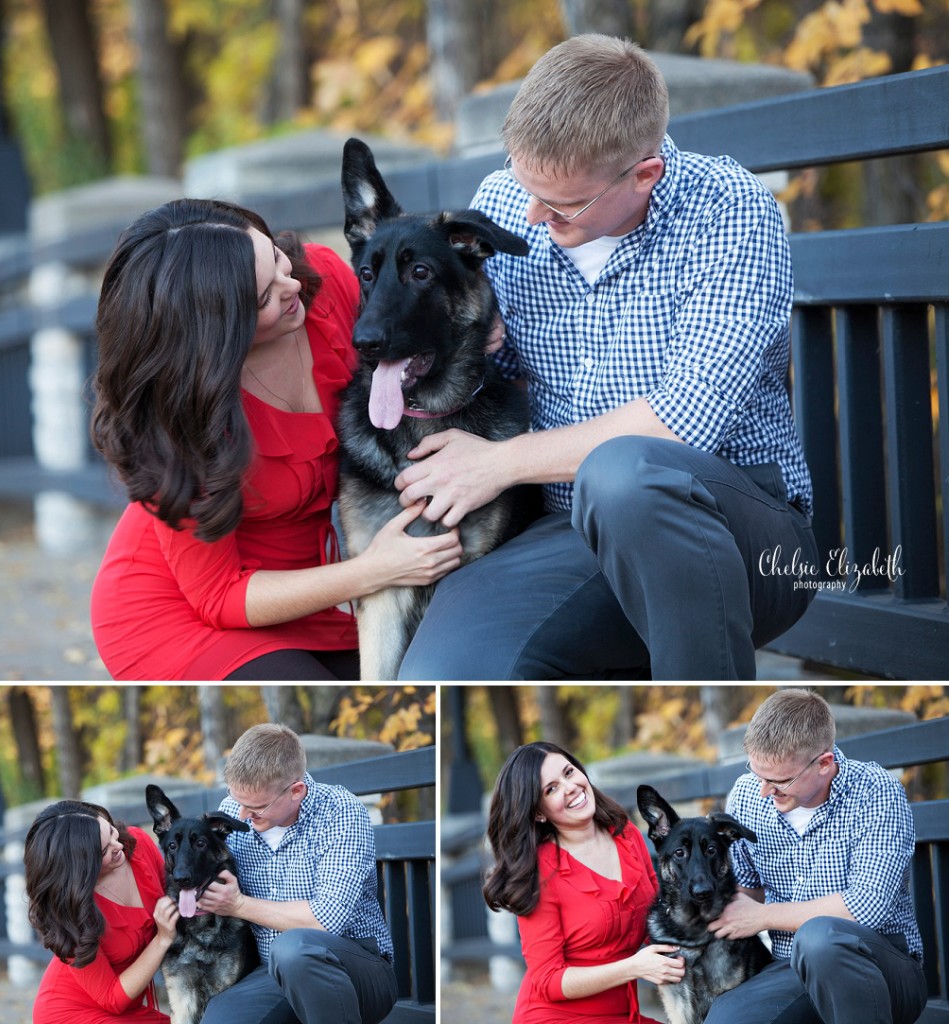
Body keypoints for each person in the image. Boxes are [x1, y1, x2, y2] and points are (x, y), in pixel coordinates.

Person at [397, 35, 818, 680]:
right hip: (566, 530)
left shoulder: (728, 210)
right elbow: (486, 368)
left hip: (736, 532)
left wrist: (501, 464)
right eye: (521, 181)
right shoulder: (509, 199)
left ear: (644, 173)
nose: (531, 216)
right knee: (446, 668)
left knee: (626, 473)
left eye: (562, 206)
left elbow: (681, 422)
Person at [89, 198, 462, 680]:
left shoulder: (321, 285)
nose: (291, 288)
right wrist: (375, 570)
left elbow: (417, 305)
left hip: (309, 595)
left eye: (277, 260)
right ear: (215, 331)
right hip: (180, 613)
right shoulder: (180, 420)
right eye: (263, 297)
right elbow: (219, 596)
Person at [704, 688, 927, 1024]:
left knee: (821, 938)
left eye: (779, 780)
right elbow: (746, 893)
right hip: (791, 968)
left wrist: (764, 916)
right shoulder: (748, 795)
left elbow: (866, 907)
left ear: (824, 764)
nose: (764, 791)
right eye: (757, 773)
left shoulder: (875, 792)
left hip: (882, 968)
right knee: (726, 1019)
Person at [191, 723, 398, 1024]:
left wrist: (237, 905)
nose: (243, 816)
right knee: (220, 1018)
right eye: (238, 802)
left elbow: (326, 919)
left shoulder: (340, 812)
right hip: (272, 973)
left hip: (356, 971)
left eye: (257, 808)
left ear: (296, 791)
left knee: (295, 949)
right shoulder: (233, 811)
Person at [483, 740, 681, 1023]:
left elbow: (660, 919)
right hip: (555, 1017)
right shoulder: (537, 873)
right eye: (551, 789)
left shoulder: (627, 835)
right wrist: (634, 967)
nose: (570, 787)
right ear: (539, 812)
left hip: (623, 1014)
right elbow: (549, 980)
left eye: (568, 772)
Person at [24, 800, 179, 1024]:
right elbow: (111, 997)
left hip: (128, 1007)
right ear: (80, 867)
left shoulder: (137, 845)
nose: (118, 846)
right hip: (73, 1012)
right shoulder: (70, 911)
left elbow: (177, 896)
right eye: (104, 850)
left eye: (111, 831)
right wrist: (162, 939)